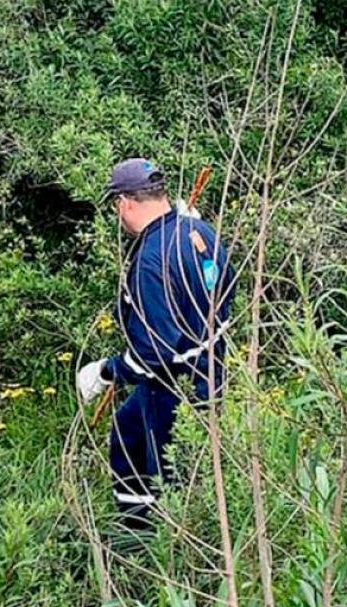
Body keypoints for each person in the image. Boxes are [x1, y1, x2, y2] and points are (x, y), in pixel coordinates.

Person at [76, 158, 234, 528]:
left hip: (173, 387)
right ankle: (134, 530)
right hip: (212, 373)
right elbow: (226, 288)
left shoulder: (151, 260)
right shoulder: (201, 232)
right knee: (127, 431)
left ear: (124, 203)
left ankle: (155, 544)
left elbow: (155, 352)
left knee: (171, 476)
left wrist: (106, 372)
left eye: (117, 207)